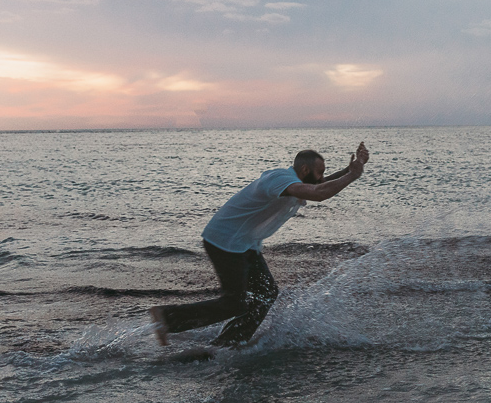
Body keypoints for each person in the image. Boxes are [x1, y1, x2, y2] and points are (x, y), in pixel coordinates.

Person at [148, 143, 369, 347]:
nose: (322, 177)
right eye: (319, 172)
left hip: (244, 244)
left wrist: (349, 172)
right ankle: (167, 318)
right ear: (304, 170)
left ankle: (229, 342)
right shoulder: (279, 179)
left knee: (267, 294)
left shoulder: (295, 181)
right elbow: (320, 192)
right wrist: (353, 176)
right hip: (225, 240)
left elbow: (319, 185)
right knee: (235, 302)